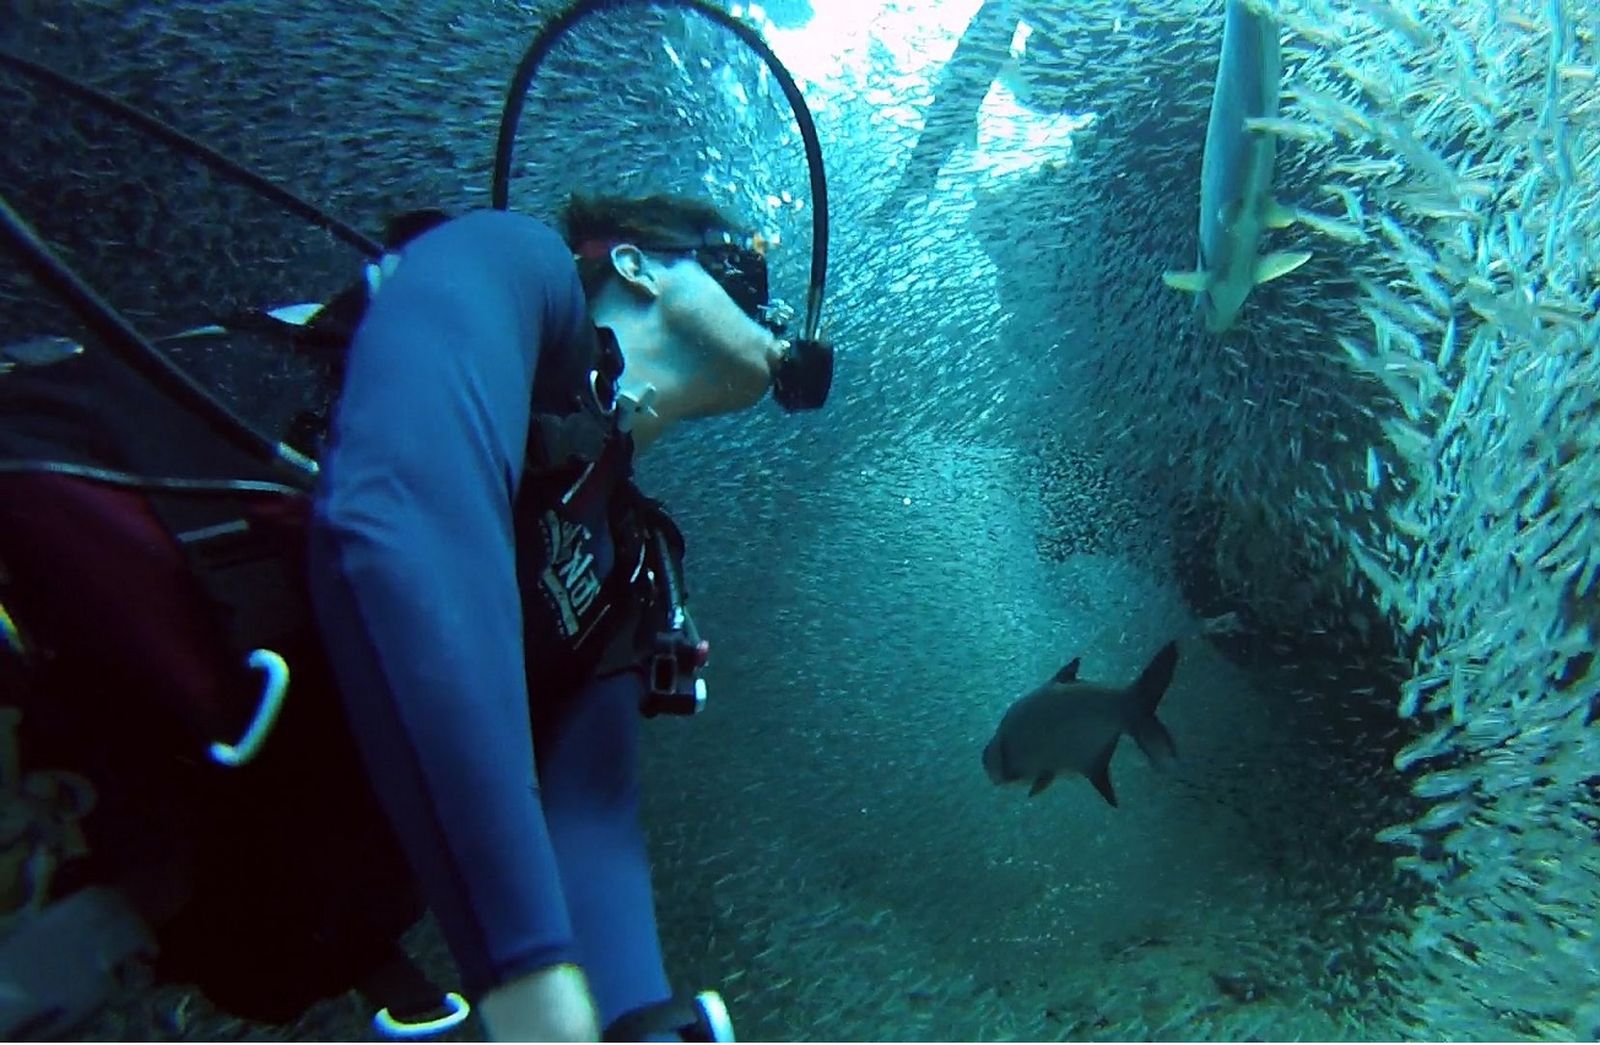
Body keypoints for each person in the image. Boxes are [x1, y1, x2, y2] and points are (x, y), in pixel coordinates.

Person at [305, 193, 794, 1041]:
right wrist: (529, 974)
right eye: (744, 274)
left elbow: (591, 817)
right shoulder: (517, 263)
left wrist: (637, 1020)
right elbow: (401, 512)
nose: (773, 312)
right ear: (635, 264)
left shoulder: (632, 569)